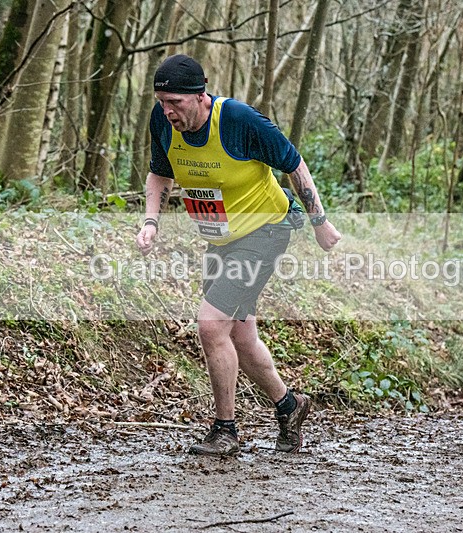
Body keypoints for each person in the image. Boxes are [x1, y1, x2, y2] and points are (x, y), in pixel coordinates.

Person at [136, 55, 341, 456]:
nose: (167, 110)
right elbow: (160, 171)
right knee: (240, 335)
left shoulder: (239, 121)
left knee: (211, 326)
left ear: (201, 94)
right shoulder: (162, 122)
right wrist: (151, 221)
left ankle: (225, 430)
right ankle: (289, 405)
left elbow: (293, 164)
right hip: (221, 237)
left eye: (174, 101)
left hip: (266, 230)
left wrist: (320, 221)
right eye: (161, 100)